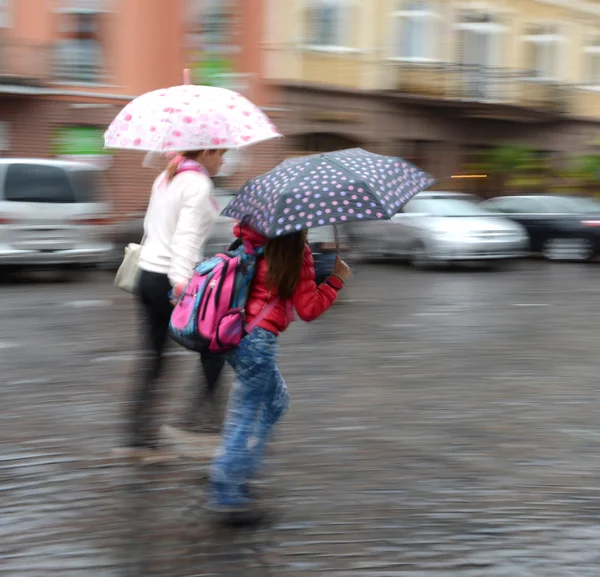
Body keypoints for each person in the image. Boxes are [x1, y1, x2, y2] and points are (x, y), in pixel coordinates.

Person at [208, 223, 352, 513]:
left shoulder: (247, 241)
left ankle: (242, 468)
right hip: (258, 341)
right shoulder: (296, 251)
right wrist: (336, 279)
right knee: (245, 413)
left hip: (232, 334)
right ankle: (225, 487)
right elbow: (308, 309)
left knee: (275, 402)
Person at [125, 149, 227, 456]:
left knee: (155, 356)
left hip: (147, 275)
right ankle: (201, 425)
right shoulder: (196, 182)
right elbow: (186, 237)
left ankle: (136, 434)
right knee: (215, 345)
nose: (223, 161)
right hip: (172, 279)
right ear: (207, 151)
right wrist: (182, 285)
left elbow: (151, 227)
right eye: (222, 154)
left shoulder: (168, 176)